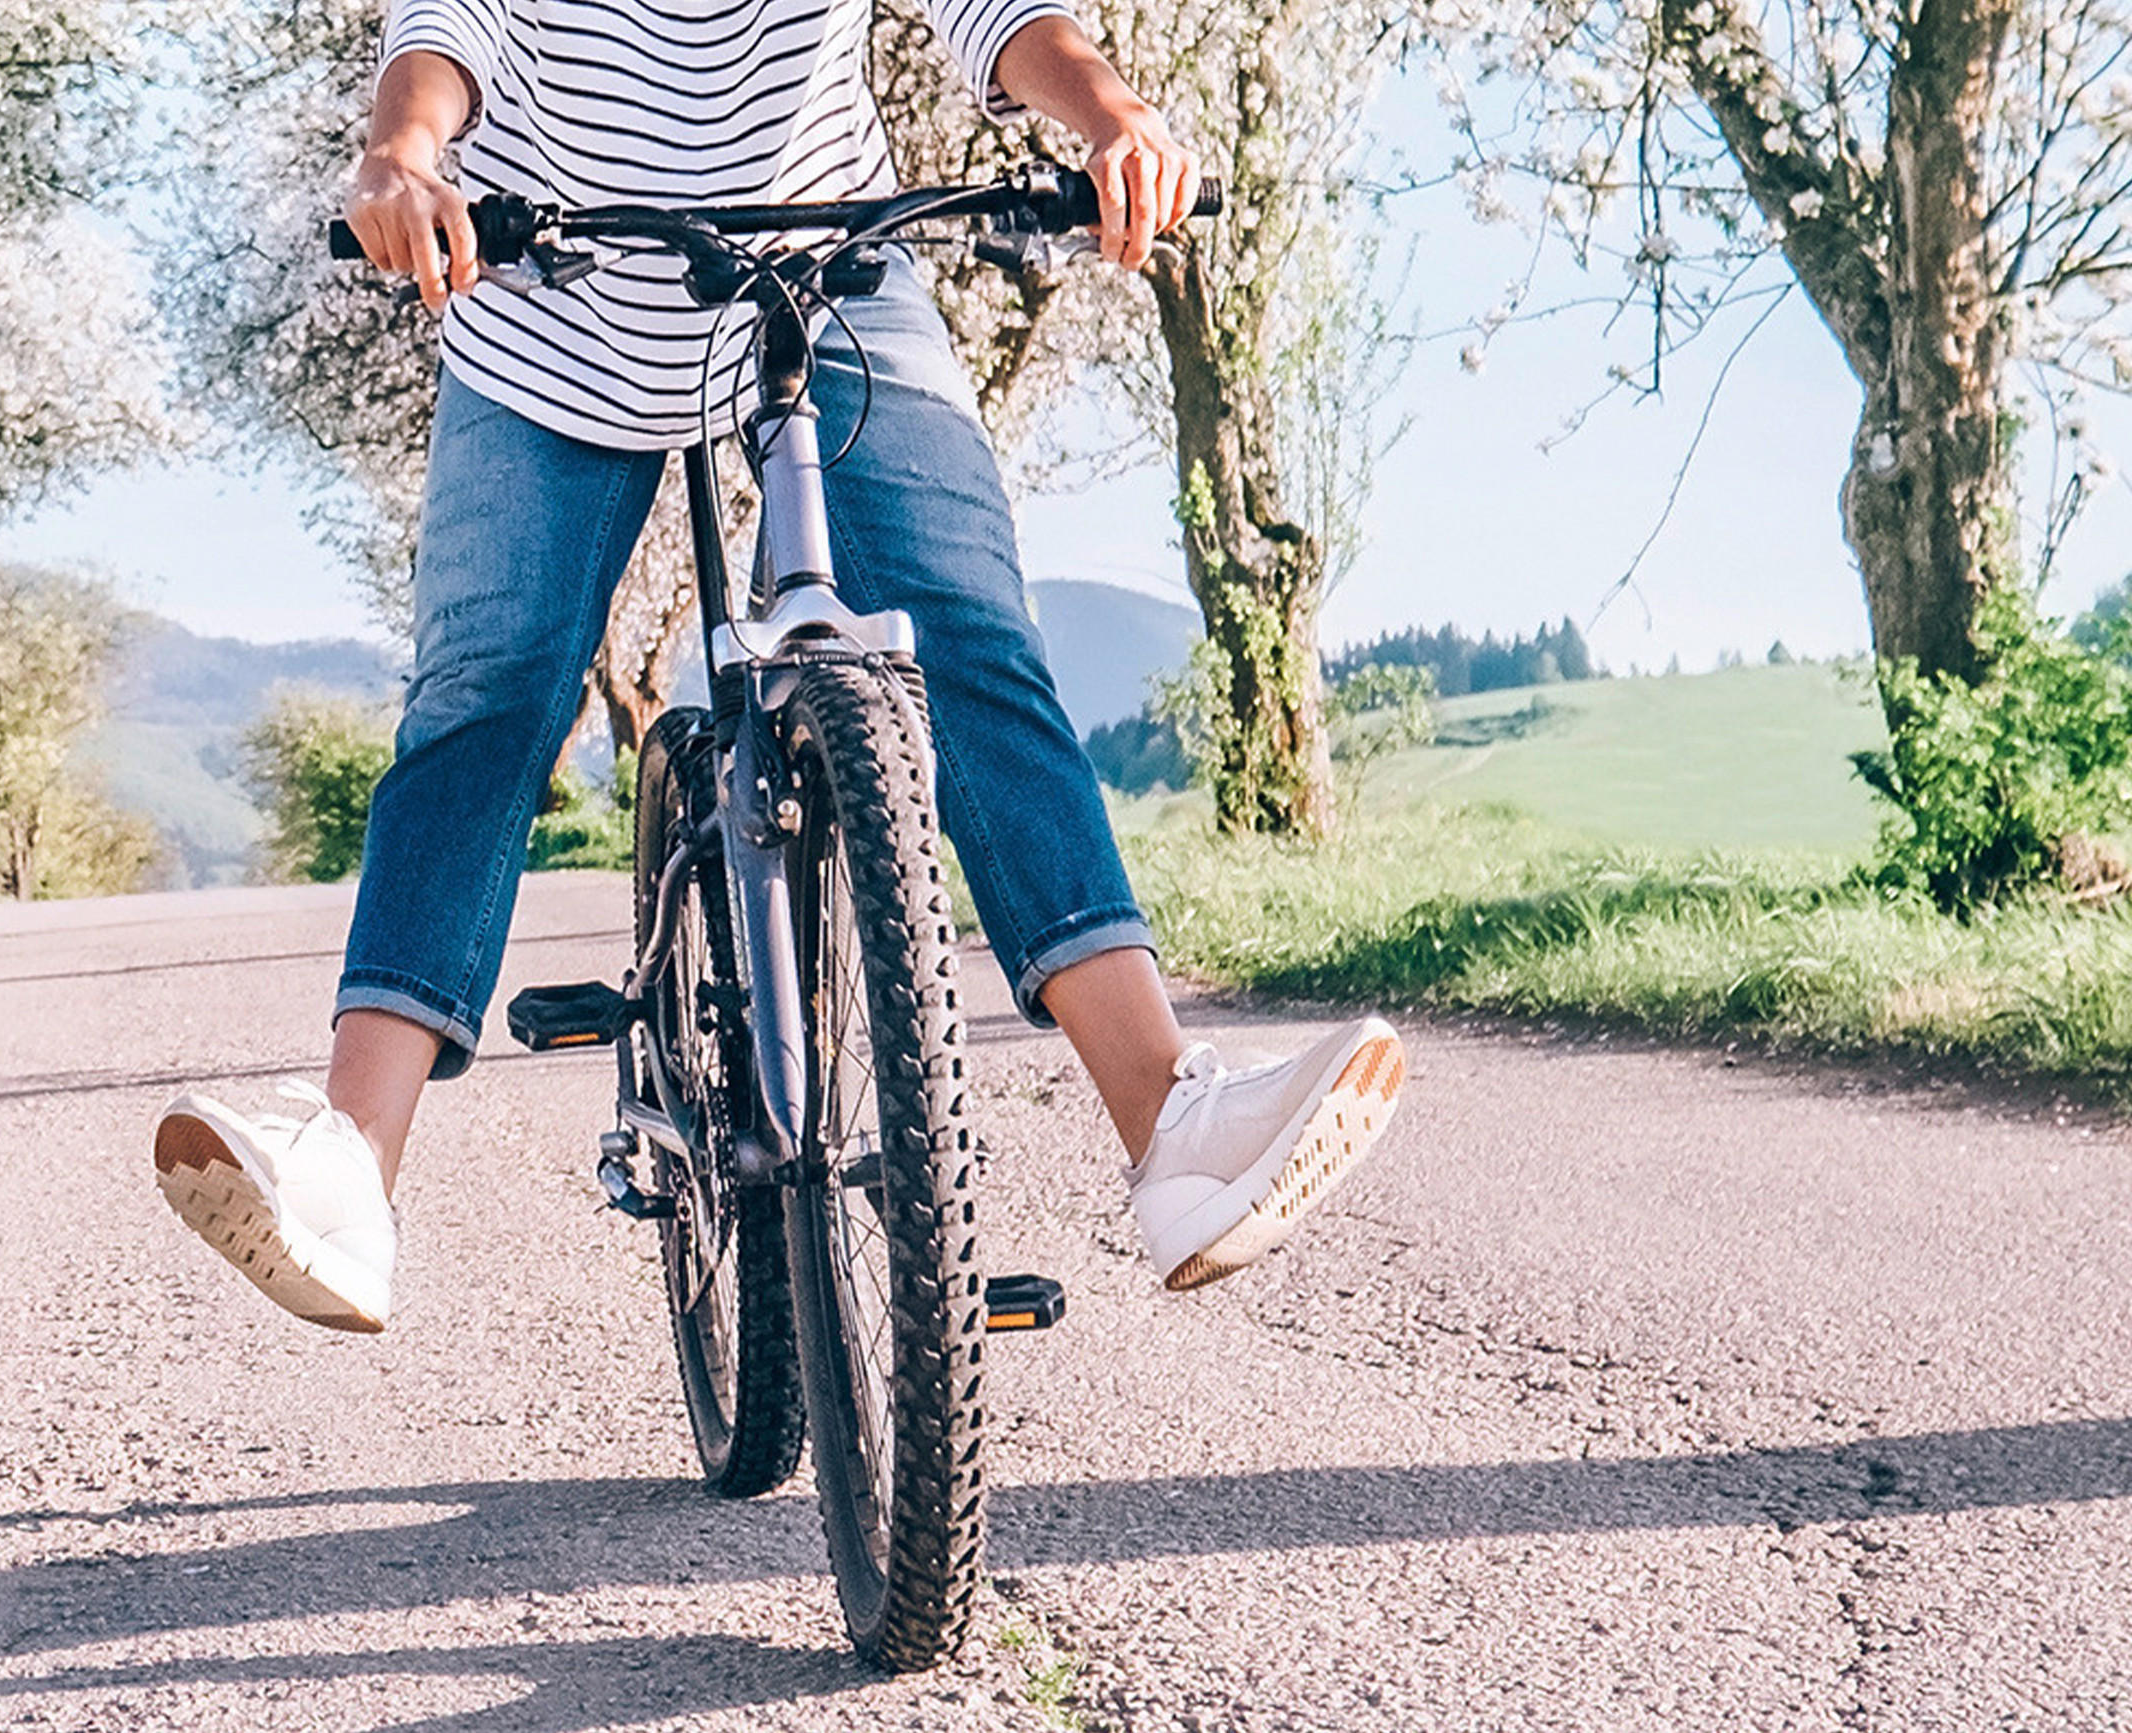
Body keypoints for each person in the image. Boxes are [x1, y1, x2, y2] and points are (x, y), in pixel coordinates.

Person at [151, 0, 1407, 1332]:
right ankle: (352, 1166)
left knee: (969, 638)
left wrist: (1108, 116)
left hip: (823, 278)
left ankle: (1175, 1127)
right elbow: (448, 26)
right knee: (486, 696)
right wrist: (403, 155)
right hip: (552, 317)